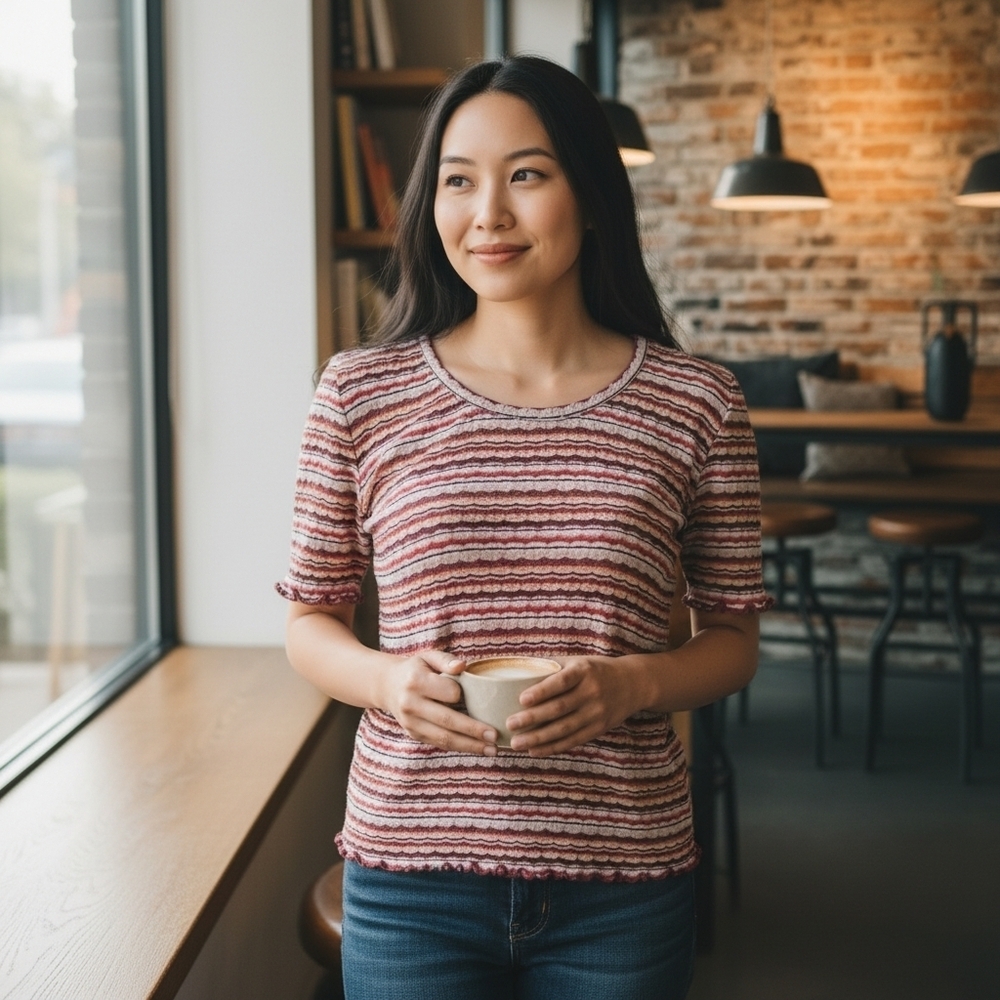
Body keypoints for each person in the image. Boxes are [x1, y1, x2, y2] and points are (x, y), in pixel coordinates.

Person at [278, 55, 770, 1000]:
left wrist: (637, 683)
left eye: (527, 175)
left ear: (591, 195)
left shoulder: (697, 402)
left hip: (622, 878)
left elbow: (737, 639)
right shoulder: (358, 393)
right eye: (458, 180)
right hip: (412, 873)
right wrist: (386, 680)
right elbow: (308, 624)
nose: (487, 214)